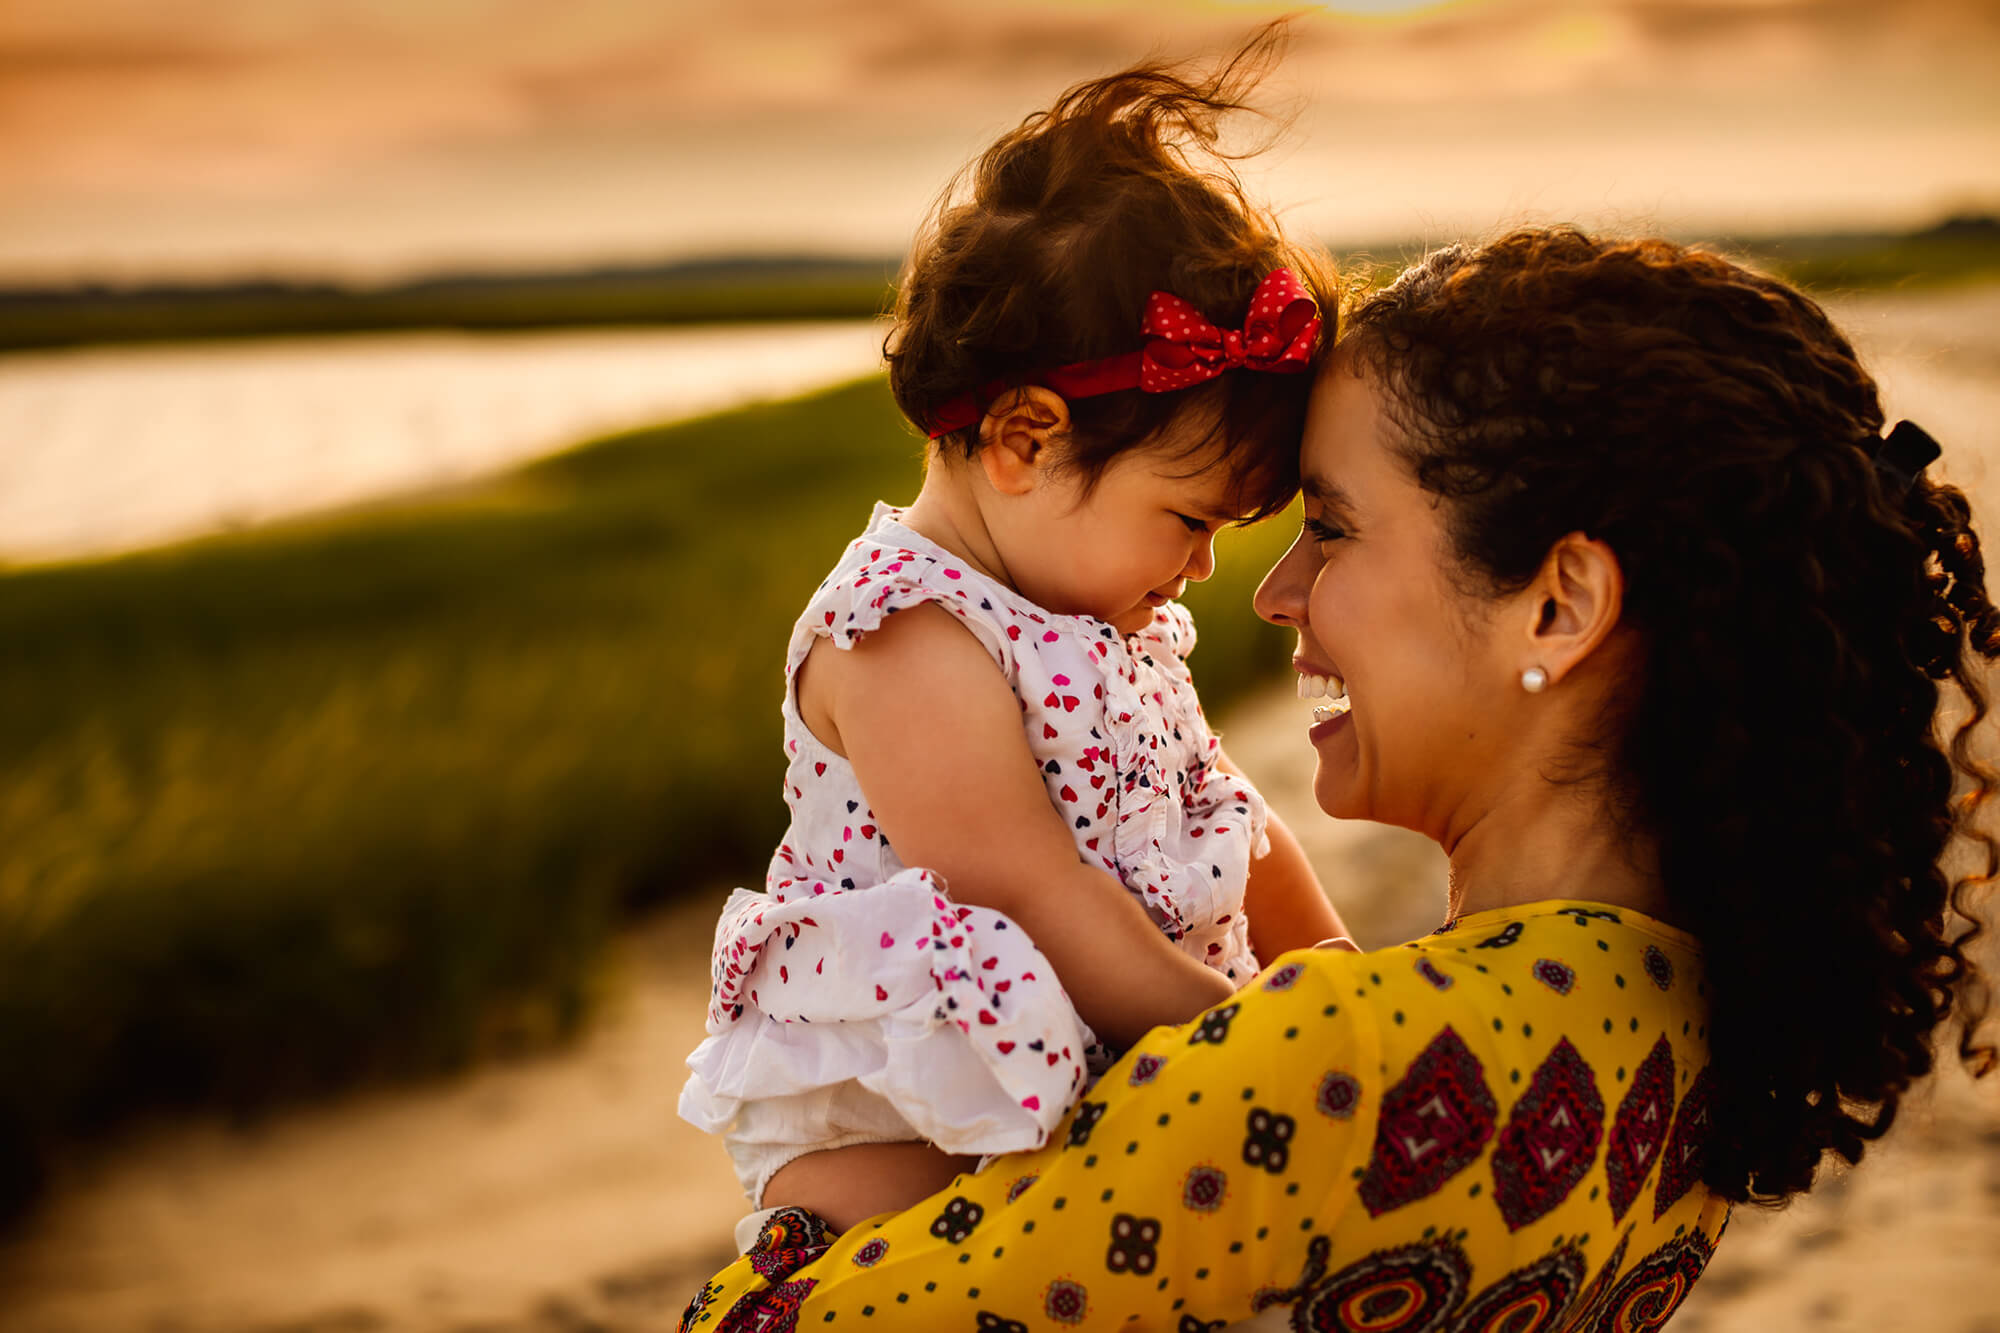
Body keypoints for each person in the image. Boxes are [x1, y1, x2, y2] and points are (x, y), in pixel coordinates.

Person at [675, 228, 1997, 1332]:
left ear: (1558, 607)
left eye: (1331, 526)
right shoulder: (1691, 1038)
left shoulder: (1320, 1065)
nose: (1272, 590)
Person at [678, 34, 1352, 1244]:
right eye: (1188, 518)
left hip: (1126, 1052)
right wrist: (1248, 1043)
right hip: (915, 1112)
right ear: (1022, 440)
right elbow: (1033, 890)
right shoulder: (904, 634)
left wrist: (1337, 978)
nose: (1200, 567)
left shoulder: (1100, 608)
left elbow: (1222, 810)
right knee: (923, 1263)